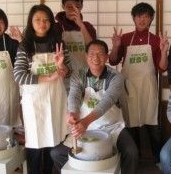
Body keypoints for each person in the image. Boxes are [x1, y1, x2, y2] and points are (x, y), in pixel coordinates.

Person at [50, 39, 138, 174]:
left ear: (106, 57)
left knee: (131, 152)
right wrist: (72, 113)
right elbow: (74, 96)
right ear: (86, 56)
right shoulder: (78, 75)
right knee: (56, 153)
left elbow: (107, 101)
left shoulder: (116, 77)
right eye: (91, 54)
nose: (95, 58)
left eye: (100, 54)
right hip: (86, 128)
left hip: (112, 126)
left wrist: (85, 122)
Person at [13, 4, 71, 174]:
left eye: (46, 20)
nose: (42, 23)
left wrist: (63, 70)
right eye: (37, 19)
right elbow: (19, 75)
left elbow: (69, 71)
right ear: (31, 22)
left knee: (52, 139)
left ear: (51, 23)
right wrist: (50, 77)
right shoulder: (25, 46)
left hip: (55, 98)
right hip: (34, 101)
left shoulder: (58, 44)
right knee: (35, 142)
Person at [109, 2, 169, 165]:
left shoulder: (156, 40)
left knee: (152, 124)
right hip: (128, 87)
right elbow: (113, 60)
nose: (142, 19)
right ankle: (133, 160)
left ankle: (158, 160)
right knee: (131, 123)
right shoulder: (126, 38)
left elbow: (162, 68)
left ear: (151, 19)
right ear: (134, 18)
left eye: (146, 16)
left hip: (148, 87)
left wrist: (163, 52)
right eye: (139, 16)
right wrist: (115, 46)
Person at [55, 0, 96, 72]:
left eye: (77, 7)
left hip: (85, 73)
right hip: (63, 74)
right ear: (63, 6)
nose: (73, 10)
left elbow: (93, 49)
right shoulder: (56, 27)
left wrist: (81, 25)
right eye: (69, 7)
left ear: (81, 6)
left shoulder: (88, 27)